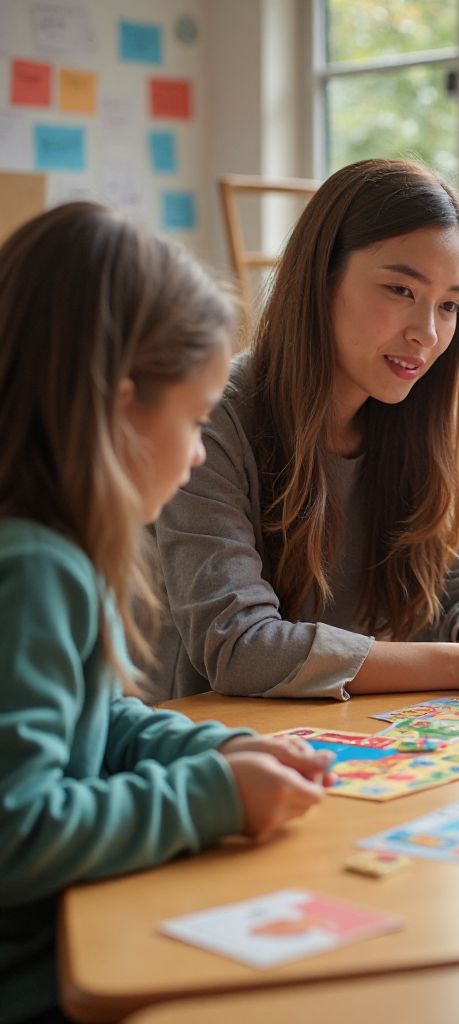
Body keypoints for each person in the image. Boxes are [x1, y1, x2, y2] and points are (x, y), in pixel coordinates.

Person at [0, 204, 332, 1024]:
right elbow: (17, 833)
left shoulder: (51, 547)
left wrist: (217, 748)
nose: (198, 451)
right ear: (120, 409)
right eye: (193, 420)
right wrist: (210, 795)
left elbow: (95, 723)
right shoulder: (33, 568)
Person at [145, 159, 459, 705]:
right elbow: (239, 646)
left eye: (449, 305)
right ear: (322, 277)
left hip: (349, 733)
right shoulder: (211, 422)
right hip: (215, 737)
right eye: (400, 289)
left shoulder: (414, 417)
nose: (427, 333)